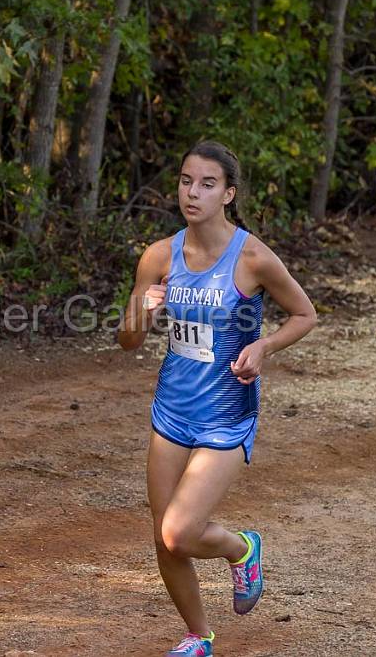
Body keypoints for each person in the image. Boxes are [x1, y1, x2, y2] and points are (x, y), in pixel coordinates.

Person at [118, 140, 318, 656]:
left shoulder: (252, 257)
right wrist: (144, 308)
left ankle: (241, 546)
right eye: (186, 181)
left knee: (182, 531)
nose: (193, 192)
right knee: (164, 537)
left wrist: (263, 346)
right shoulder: (159, 256)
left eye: (207, 184)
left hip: (226, 415)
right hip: (172, 410)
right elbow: (128, 339)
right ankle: (198, 637)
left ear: (228, 194)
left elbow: (305, 314)